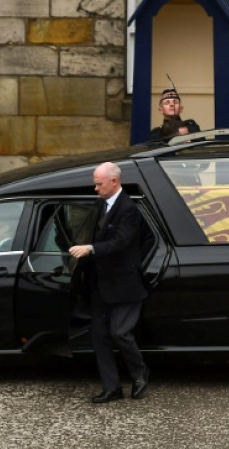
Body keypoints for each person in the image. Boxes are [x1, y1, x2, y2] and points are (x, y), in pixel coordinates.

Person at [68, 162, 150, 403]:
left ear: (114, 182)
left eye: (99, 184)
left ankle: (139, 373)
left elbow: (121, 242)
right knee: (99, 337)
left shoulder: (128, 209)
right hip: (99, 285)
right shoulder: (100, 204)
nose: (96, 188)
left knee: (120, 333)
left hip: (124, 285)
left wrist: (90, 249)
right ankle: (112, 387)